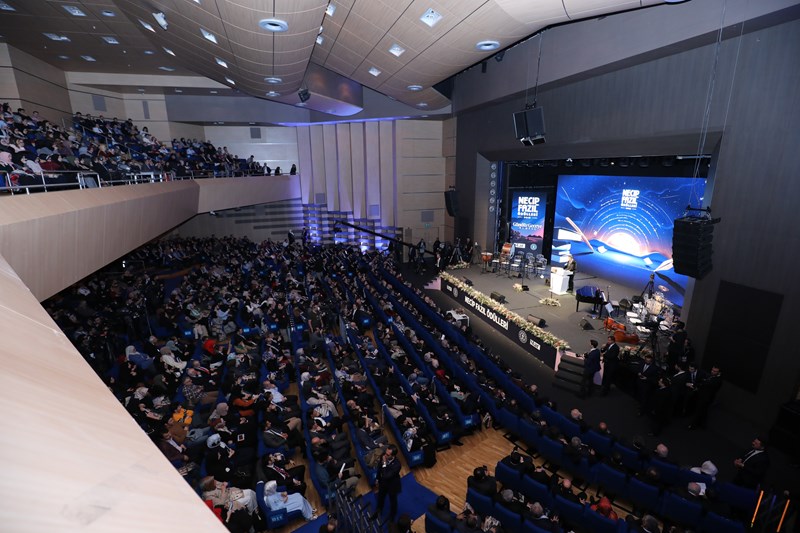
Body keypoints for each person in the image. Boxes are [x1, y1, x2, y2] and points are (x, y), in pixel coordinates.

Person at [372, 444, 402, 522]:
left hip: (392, 485)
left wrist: (384, 463)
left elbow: (386, 475)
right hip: (383, 483)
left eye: (388, 455)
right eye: (385, 453)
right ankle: (378, 511)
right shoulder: (384, 456)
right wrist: (377, 479)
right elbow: (379, 468)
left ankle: (392, 516)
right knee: (380, 497)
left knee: (393, 501)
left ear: (393, 456)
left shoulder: (397, 465)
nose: (385, 455)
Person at [688, 365, 722, 429]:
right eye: (712, 370)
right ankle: (702, 424)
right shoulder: (711, 376)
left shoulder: (718, 380)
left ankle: (692, 425)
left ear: (719, 372)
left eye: (715, 371)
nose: (712, 372)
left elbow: (706, 384)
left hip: (706, 398)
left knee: (699, 410)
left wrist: (694, 384)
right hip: (702, 395)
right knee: (703, 411)